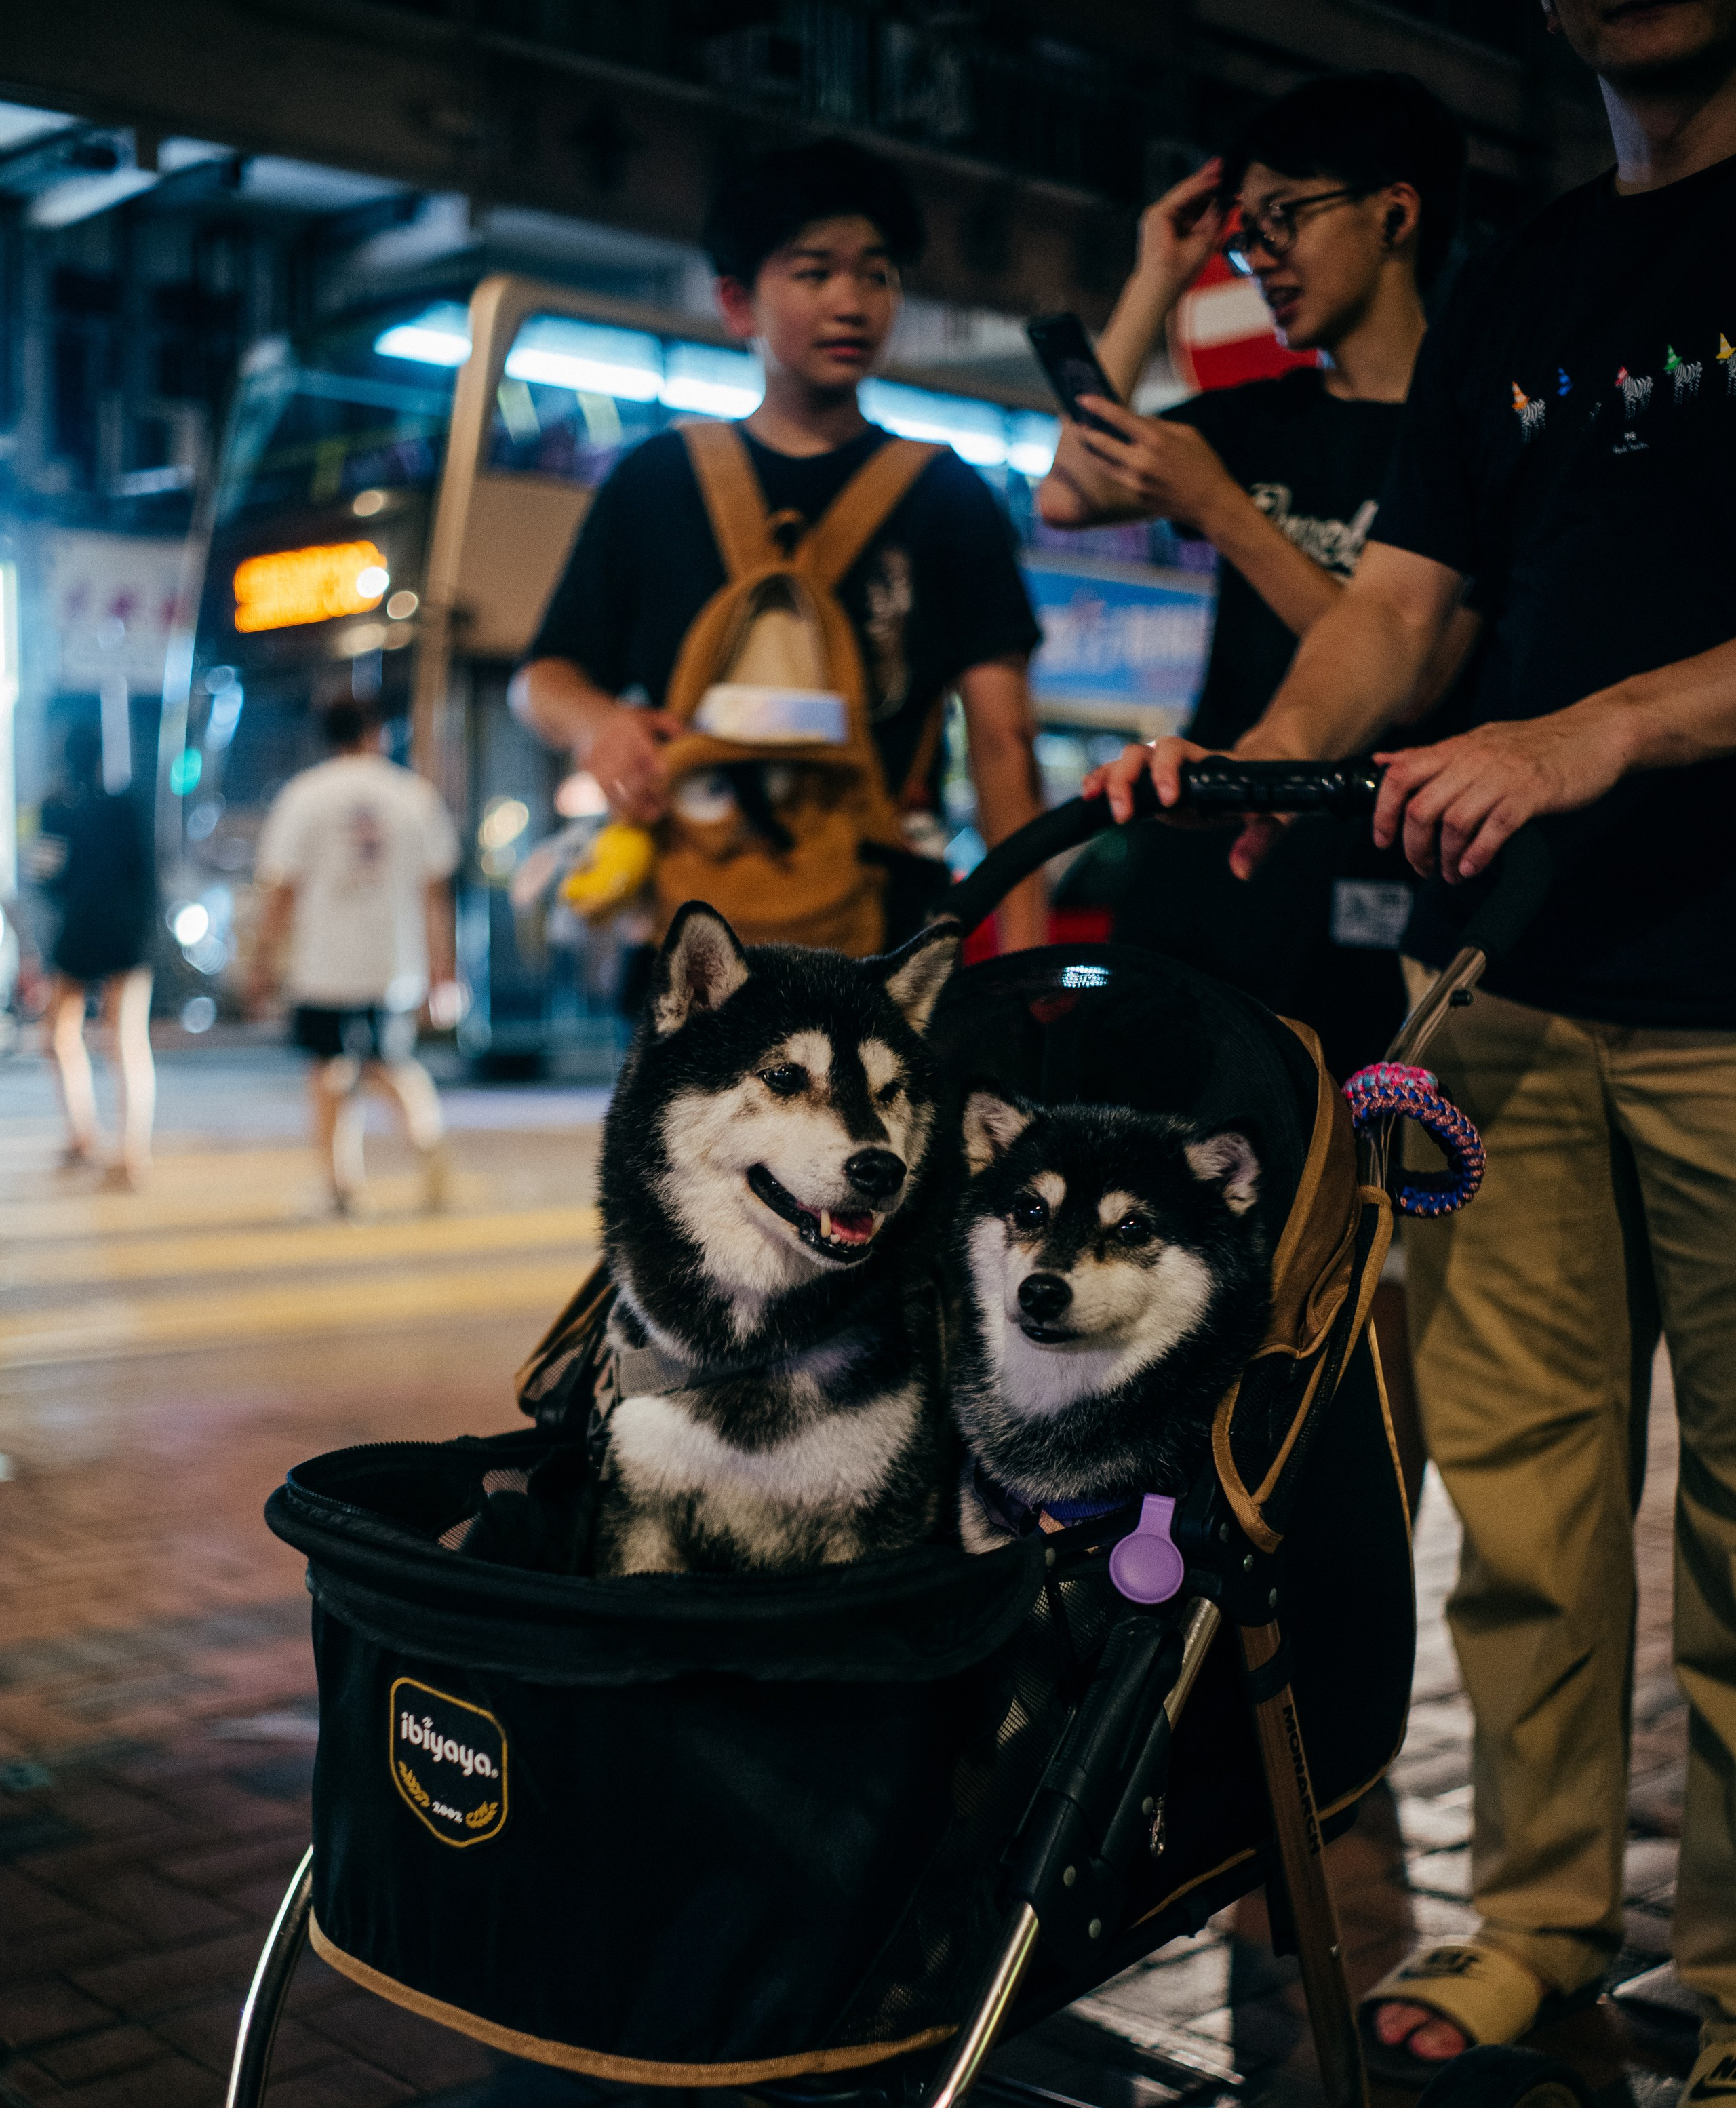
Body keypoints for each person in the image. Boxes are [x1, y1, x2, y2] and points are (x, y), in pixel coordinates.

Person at [1092, 0, 1736, 2108]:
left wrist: (1607, 730)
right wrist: (1261, 763)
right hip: (1507, 995)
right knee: (1530, 1521)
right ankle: (1540, 1925)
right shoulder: (1544, 278)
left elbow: (1560, 693)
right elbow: (1407, 607)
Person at [1041, 70, 1473, 1511]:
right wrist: (1148, 279)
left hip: (1383, 902)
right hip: (1206, 880)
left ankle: (1338, 1539)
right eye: (1246, 232)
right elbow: (1066, 489)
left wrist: (1225, 515)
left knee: (1353, 1255)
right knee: (1179, 1222)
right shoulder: (1254, 412)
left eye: (1287, 217)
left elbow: (1407, 662)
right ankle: (1172, 1528)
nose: (1261, 255)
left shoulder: (1470, 423)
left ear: (1395, 215)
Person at [511, 138, 1049, 954]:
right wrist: (597, 724)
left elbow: (1007, 743)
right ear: (736, 303)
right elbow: (544, 681)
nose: (852, 302)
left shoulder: (939, 492)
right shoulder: (662, 482)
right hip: (828, 934)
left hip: (759, 932)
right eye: (813, 272)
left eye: (877, 274)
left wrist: (1033, 950)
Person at [252, 700, 460, 1217]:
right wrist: (443, 970)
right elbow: (435, 893)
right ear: (378, 734)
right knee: (391, 1063)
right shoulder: (413, 795)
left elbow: (282, 888)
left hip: (323, 963)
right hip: (394, 959)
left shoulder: (303, 795)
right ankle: (429, 1146)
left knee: (328, 1070)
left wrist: (262, 960)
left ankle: (343, 1186)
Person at [32, 720, 157, 1190]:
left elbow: (49, 879)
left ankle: (84, 1135)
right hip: (127, 937)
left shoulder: (55, 808)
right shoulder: (127, 805)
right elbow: (148, 874)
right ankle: (132, 1154)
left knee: (58, 1035)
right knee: (127, 1042)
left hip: (80, 934)